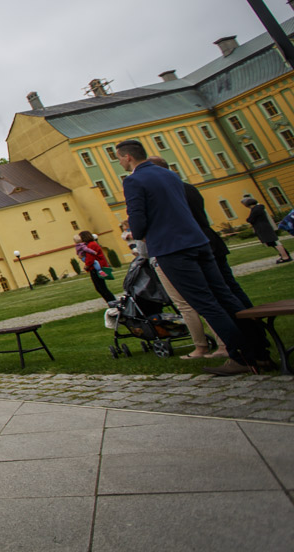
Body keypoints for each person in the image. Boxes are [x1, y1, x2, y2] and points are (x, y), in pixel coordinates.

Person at [117, 139, 268, 376]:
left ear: (127, 157)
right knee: (225, 295)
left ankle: (243, 356)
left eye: (119, 158)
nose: (121, 163)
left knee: (205, 302)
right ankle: (261, 351)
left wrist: (136, 234)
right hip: (199, 242)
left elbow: (138, 218)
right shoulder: (170, 175)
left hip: (171, 247)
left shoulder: (134, 180)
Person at [243, 196, 292, 263]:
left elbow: (250, 219)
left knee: (275, 242)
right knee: (273, 242)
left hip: (263, 228)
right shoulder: (260, 208)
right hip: (265, 227)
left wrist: (248, 219)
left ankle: (285, 257)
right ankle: (284, 255)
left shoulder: (255, 209)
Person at [75, 231, 117, 304]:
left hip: (95, 269)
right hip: (94, 268)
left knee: (101, 288)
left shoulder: (91, 245)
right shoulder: (90, 245)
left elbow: (90, 258)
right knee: (100, 288)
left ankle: (112, 302)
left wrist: (86, 266)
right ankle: (111, 302)